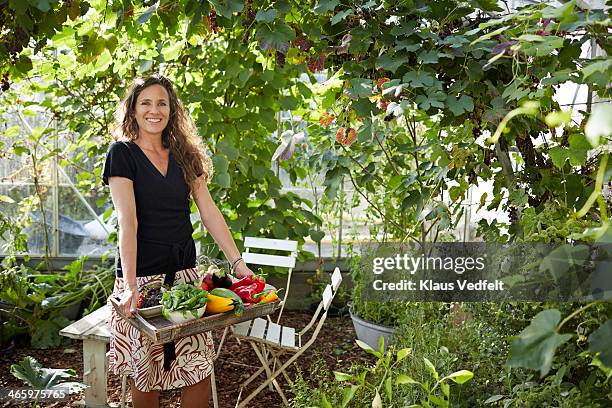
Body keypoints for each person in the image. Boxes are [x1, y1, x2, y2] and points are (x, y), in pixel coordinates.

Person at [102, 74, 254, 408]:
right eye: (146, 103)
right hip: (141, 280)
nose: (153, 110)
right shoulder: (122, 155)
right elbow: (128, 222)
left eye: (161, 103)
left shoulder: (185, 155)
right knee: (147, 378)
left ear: (172, 111)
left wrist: (238, 264)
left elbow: (209, 212)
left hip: (185, 280)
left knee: (198, 372)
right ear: (133, 109)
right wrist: (129, 286)